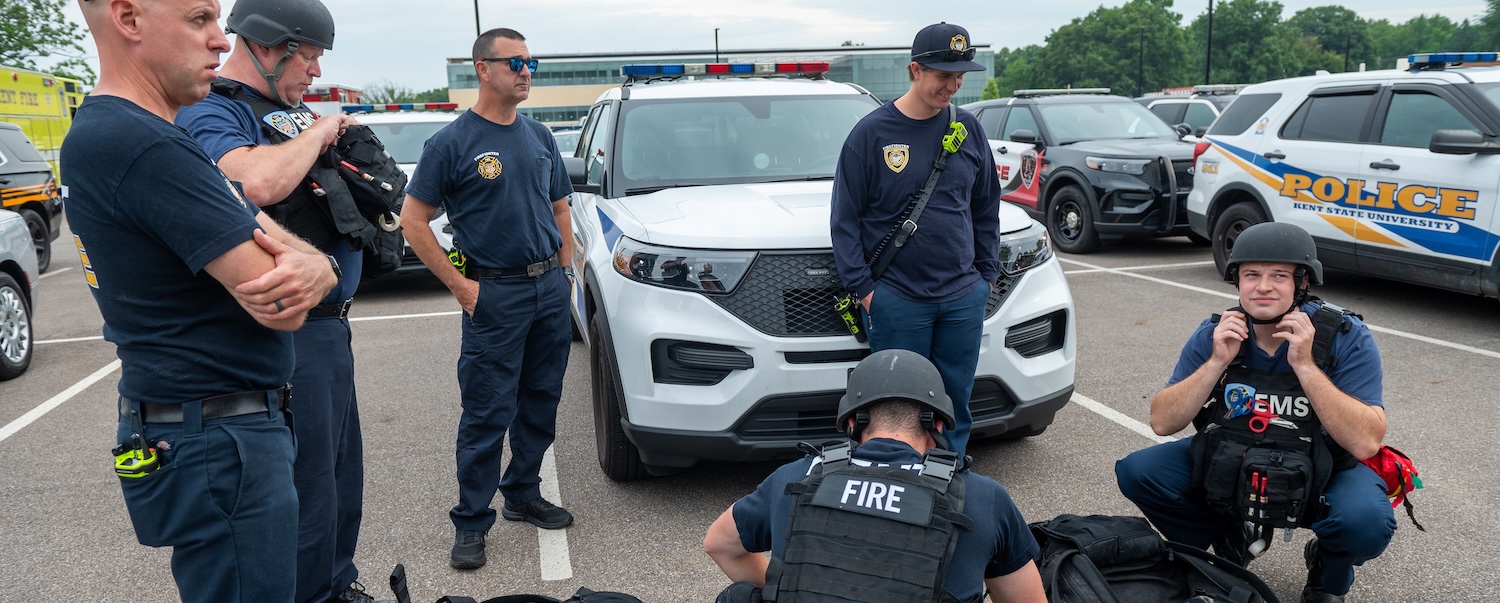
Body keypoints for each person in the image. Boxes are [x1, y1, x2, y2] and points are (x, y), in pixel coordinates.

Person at [62, 0, 339, 601]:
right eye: (199, 20)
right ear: (128, 19)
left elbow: (255, 226)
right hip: (221, 438)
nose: (221, 41)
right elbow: (282, 298)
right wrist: (315, 265)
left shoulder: (149, 134)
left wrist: (317, 262)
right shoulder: (141, 144)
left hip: (208, 429)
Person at [173, 1, 382, 601]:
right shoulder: (213, 111)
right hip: (286, 331)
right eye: (310, 55)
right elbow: (250, 181)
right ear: (269, 47)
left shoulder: (285, 113)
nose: (314, 72)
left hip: (329, 327)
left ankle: (336, 583)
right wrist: (321, 129)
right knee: (306, 485)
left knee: (341, 476)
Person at [1114, 223, 1396, 603]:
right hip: (1234, 457)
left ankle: (1329, 569)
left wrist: (1306, 366)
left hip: (1321, 466)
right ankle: (1227, 537)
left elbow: (1366, 443)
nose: (1263, 286)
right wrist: (1216, 361)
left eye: (1279, 275)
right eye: (1252, 275)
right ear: (1237, 281)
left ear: (1302, 283)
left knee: (1365, 522)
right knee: (1138, 472)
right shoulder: (1218, 331)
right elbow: (1163, 422)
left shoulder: (1345, 335)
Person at [401, 27, 576, 571]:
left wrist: (565, 277)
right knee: (486, 413)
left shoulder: (540, 135)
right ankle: (473, 521)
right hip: (494, 294)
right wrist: (463, 288)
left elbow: (561, 209)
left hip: (548, 289)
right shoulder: (451, 144)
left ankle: (522, 493)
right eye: (516, 62)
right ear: (483, 68)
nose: (526, 72)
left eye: (531, 62)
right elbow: (414, 221)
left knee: (541, 400)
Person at [704, 349, 1046, 603]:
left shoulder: (794, 477)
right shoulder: (984, 498)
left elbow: (719, 544)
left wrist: (787, 586)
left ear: (852, 423)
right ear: (938, 425)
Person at [830, 22, 1001, 461]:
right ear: (915, 70)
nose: (954, 84)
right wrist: (868, 294)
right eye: (944, 74)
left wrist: (985, 278)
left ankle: (949, 482)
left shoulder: (968, 129)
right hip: (897, 299)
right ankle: (897, 484)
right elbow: (845, 222)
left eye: (960, 74)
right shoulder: (871, 135)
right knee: (895, 406)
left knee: (955, 403)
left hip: (962, 296)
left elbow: (984, 210)